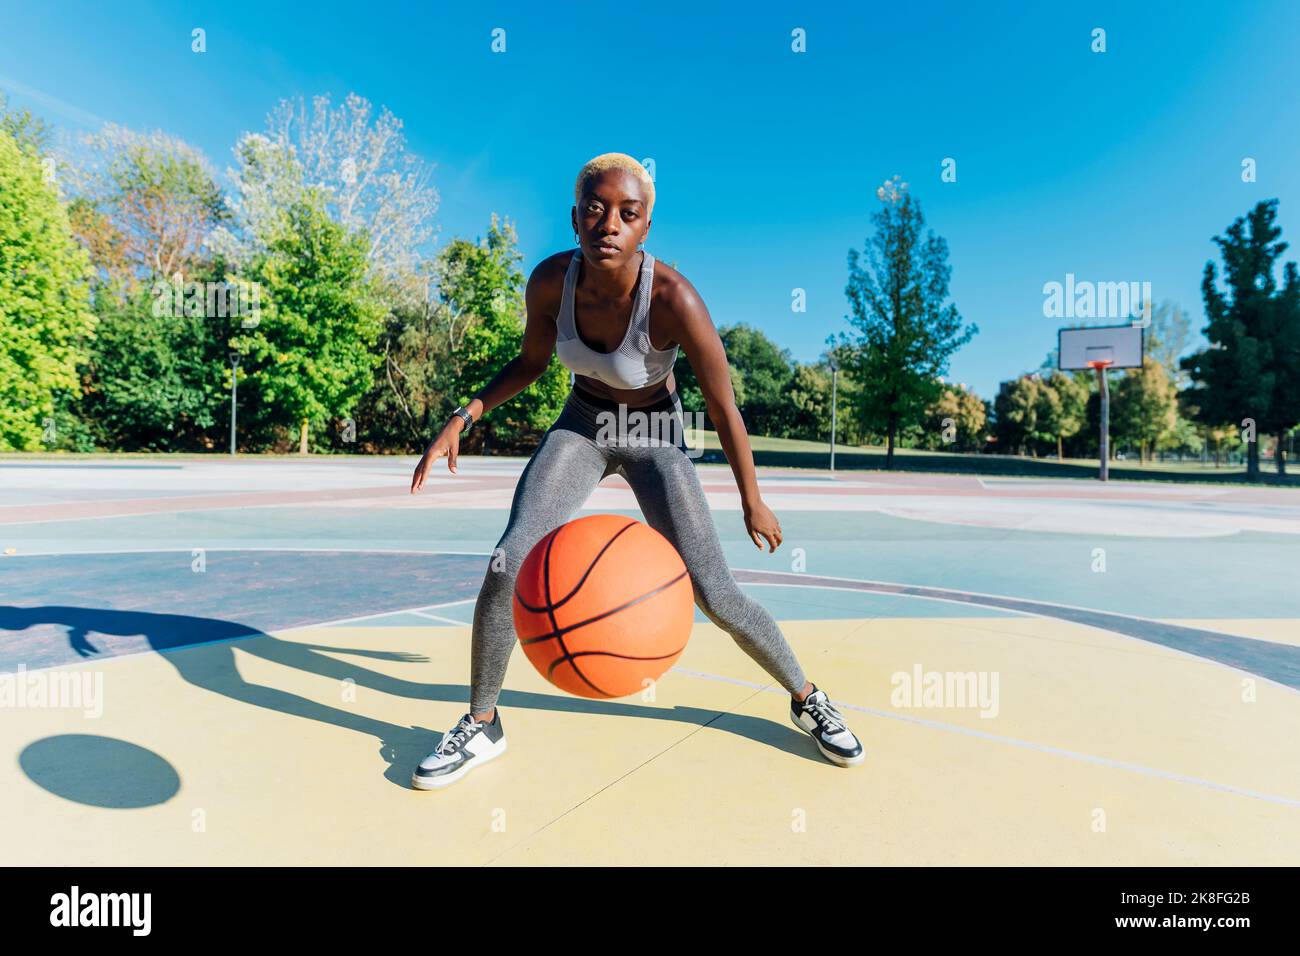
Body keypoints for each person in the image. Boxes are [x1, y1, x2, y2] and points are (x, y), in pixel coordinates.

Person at [408, 153, 863, 788]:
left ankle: (806, 697)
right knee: (506, 563)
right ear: (574, 218)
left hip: (654, 435)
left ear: (646, 226)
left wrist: (751, 499)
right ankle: (482, 723)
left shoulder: (674, 298)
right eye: (595, 209)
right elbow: (531, 363)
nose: (609, 224)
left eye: (628, 213)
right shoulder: (549, 283)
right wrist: (466, 413)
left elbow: (724, 405)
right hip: (582, 425)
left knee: (715, 592)